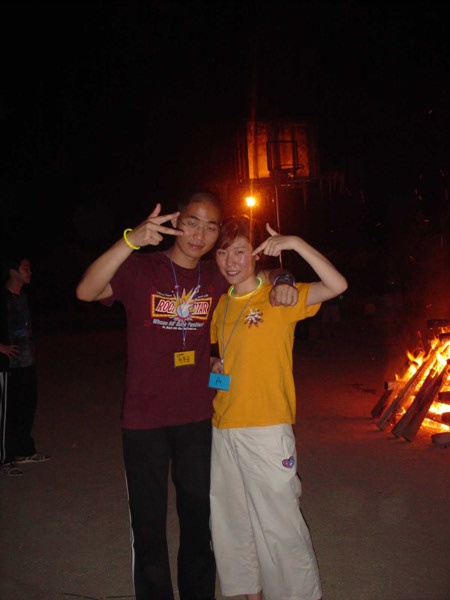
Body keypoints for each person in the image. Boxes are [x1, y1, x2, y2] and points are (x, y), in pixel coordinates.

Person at [75, 190, 298, 600]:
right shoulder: (141, 268)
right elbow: (86, 291)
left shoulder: (215, 275)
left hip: (197, 417)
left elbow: (261, 275)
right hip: (143, 419)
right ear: (177, 222)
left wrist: (283, 278)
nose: (200, 234)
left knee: (198, 519)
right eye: (193, 222)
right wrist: (130, 240)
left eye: (211, 226)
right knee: (148, 523)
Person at [209, 215, 348, 600]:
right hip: (223, 427)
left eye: (240, 251)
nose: (230, 261)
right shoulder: (221, 304)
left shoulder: (279, 296)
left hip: (267, 430)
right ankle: (249, 593)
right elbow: (221, 354)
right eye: (223, 252)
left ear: (256, 254)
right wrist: (213, 365)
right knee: (232, 521)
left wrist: (296, 244)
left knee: (279, 525)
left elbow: (337, 285)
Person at [0, 256, 50, 477]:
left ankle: (23, 450)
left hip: (27, 363)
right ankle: (5, 458)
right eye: (25, 268)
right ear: (13, 272)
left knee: (26, 407)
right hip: (8, 366)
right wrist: (1, 347)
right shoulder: (3, 298)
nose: (30, 272)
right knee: (8, 412)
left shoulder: (24, 298)